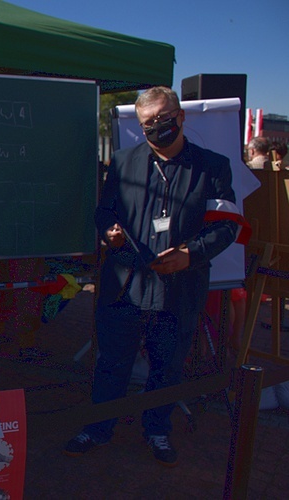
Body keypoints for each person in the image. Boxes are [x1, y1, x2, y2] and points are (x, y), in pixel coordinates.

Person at [64, 86, 238, 467]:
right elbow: (103, 210)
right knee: (112, 361)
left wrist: (191, 254)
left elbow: (227, 226)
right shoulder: (124, 163)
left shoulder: (214, 167)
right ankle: (97, 428)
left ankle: (157, 430)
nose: (157, 128)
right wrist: (108, 229)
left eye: (163, 119)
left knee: (168, 364)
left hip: (180, 286)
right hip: (124, 283)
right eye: (148, 124)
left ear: (180, 116)